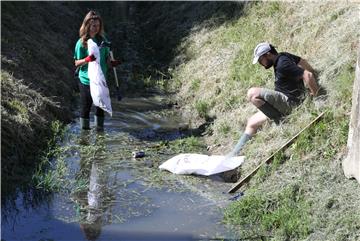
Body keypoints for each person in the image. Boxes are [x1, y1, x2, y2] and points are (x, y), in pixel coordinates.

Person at [232, 42, 321, 155]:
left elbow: (307, 75)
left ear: (268, 54)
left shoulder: (283, 64)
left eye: (260, 60)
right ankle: (233, 155)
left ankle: (280, 120)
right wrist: (314, 72)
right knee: (251, 122)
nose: (261, 63)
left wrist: (318, 97)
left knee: (252, 93)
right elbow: (302, 61)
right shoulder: (283, 56)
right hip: (283, 100)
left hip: (290, 103)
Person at [74, 10, 121, 130]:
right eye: (93, 25)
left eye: (98, 25)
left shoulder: (103, 40)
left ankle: (100, 132)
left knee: (101, 106)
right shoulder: (82, 43)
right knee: (86, 107)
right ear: (87, 25)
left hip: (100, 79)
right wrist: (88, 59)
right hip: (86, 80)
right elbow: (76, 63)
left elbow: (107, 61)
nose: (96, 28)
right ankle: (84, 136)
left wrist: (113, 63)